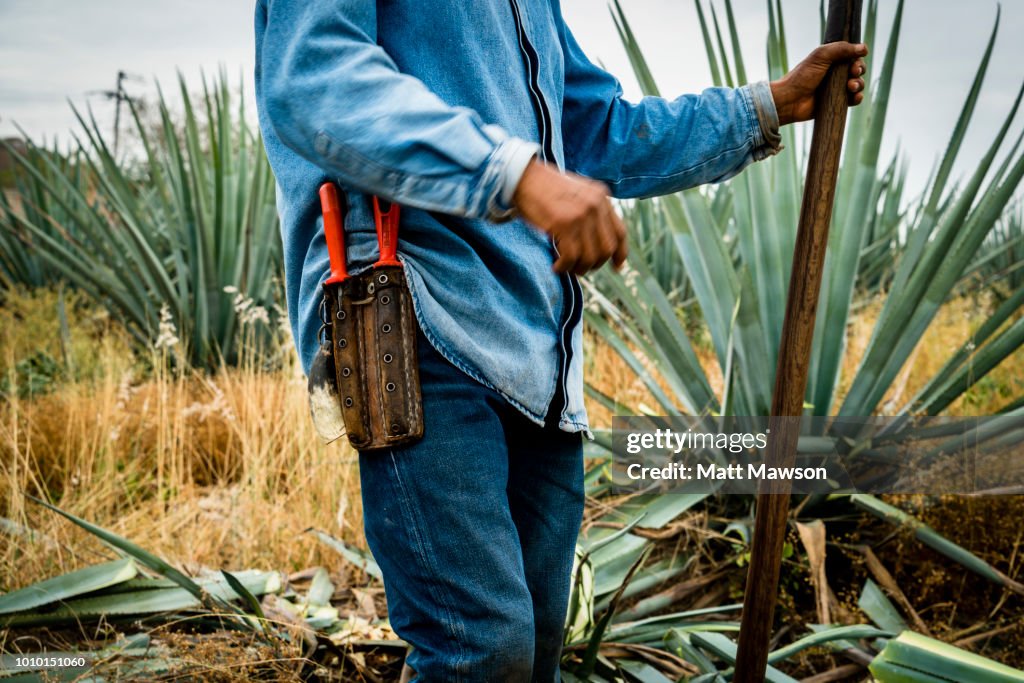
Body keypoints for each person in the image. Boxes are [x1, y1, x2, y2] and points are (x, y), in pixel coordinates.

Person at [254, 1, 867, 680]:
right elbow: (313, 75)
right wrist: (514, 173)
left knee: (538, 644)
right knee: (483, 649)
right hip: (416, 316)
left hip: (537, 352)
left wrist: (764, 107)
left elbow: (593, 130)